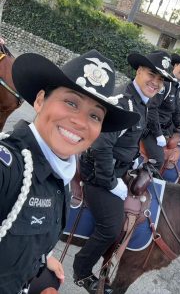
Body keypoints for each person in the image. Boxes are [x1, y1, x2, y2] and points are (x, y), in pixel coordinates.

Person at [0, 49, 140, 294]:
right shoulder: (8, 166)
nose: (81, 121)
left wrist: (40, 260)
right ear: (41, 100)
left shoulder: (60, 177)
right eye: (71, 102)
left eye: (95, 115)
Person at [72, 50, 174, 294]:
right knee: (112, 225)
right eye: (152, 74)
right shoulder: (122, 103)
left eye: (161, 80)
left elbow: (126, 143)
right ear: (138, 71)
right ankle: (82, 270)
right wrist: (110, 183)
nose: (156, 83)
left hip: (117, 169)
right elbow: (100, 146)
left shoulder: (143, 105)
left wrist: (137, 162)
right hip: (97, 174)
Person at [142, 52, 180, 170]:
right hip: (150, 129)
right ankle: (133, 181)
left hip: (165, 129)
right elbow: (152, 109)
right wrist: (158, 134)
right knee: (158, 160)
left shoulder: (177, 86)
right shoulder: (165, 84)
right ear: (175, 65)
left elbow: (176, 110)